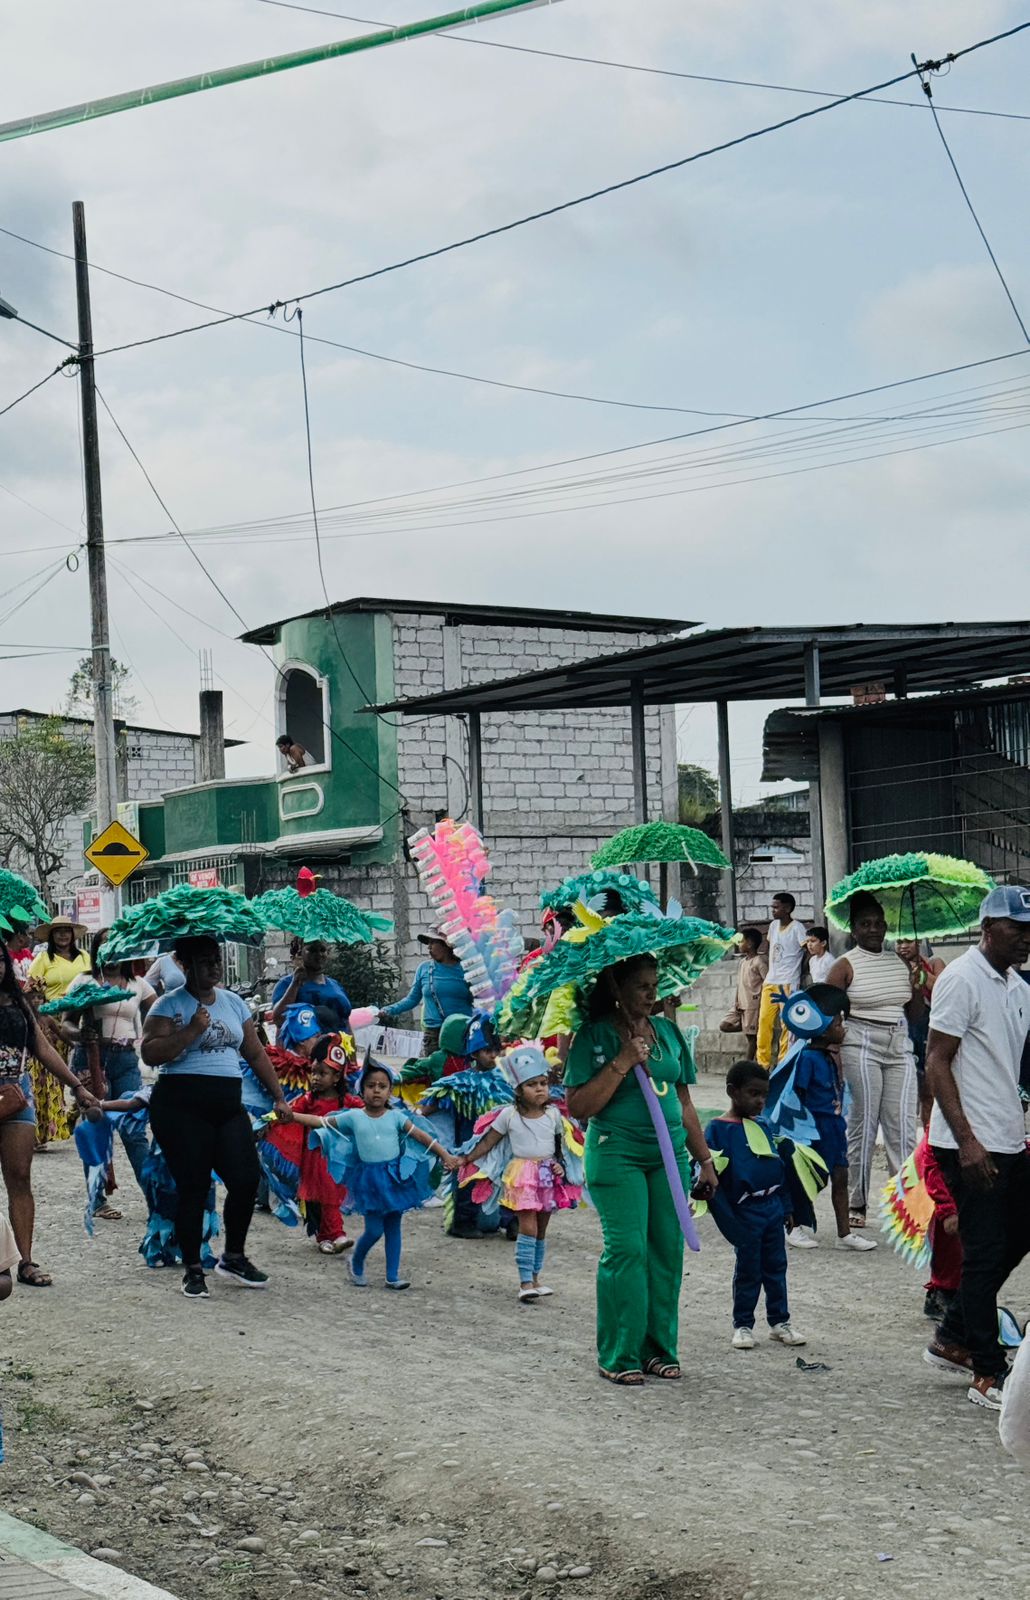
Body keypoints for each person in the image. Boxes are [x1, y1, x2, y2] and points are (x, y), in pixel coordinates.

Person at [564, 953, 718, 1386]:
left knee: (666, 1250)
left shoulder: (667, 1033)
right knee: (628, 1250)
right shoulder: (594, 1035)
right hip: (617, 1154)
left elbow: (684, 1102)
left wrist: (705, 1159)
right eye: (641, 986)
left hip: (668, 1158)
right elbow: (579, 1107)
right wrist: (623, 1061)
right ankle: (619, 1353)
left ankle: (658, 1349)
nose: (652, 994)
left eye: (655, 985)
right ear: (618, 988)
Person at [923, 886, 1030, 1412]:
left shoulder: (1017, 986)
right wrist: (966, 1141)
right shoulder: (961, 979)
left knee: (1019, 1235)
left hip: (1008, 1138)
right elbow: (936, 1060)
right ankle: (987, 1372)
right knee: (984, 1254)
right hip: (969, 1144)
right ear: (988, 927)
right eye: (1017, 928)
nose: (1026, 938)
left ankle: (952, 1334)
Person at [140, 934, 290, 1299]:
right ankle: (193, 1269)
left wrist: (278, 1096)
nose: (213, 966)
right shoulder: (167, 1004)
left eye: (216, 959)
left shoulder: (233, 1003)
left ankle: (234, 1256)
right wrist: (192, 1029)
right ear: (184, 964)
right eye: (205, 960)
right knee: (194, 1186)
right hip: (181, 1106)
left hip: (226, 1105)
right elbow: (150, 1053)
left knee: (246, 1178)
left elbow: (255, 1053)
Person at [285, 1057, 459, 1290]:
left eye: (382, 1086)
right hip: (369, 1181)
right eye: (371, 1086)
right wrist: (292, 1116)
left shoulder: (396, 1117)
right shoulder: (354, 1117)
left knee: (394, 1227)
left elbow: (422, 1137)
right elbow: (321, 1122)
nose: (377, 1090)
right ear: (362, 1090)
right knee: (375, 1230)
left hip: (394, 1179)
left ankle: (392, 1276)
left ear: (389, 1091)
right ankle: (356, 1261)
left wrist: (445, 1155)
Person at [0, 943, 99, 1287]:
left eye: (0, 960)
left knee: (20, 1178)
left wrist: (77, 1087)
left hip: (18, 1098)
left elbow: (42, 1049)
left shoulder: (19, 1005)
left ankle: (25, 1261)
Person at [460, 1045, 582, 1302]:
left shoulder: (554, 1115)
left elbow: (559, 1146)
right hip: (522, 1176)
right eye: (531, 1085)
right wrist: (467, 1159)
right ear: (518, 1089)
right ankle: (525, 1281)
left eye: (543, 1083)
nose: (539, 1089)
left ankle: (536, 1279)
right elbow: (488, 1141)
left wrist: (559, 1165)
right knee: (528, 1227)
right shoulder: (508, 1115)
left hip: (548, 1176)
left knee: (541, 1230)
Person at [825, 893, 918, 1228]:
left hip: (899, 1043)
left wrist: (917, 983)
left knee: (903, 1127)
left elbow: (915, 1014)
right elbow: (827, 1014)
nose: (874, 929)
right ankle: (857, 1202)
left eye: (879, 923)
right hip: (860, 1042)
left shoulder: (900, 963)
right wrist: (833, 1055)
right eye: (865, 924)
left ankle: (906, 1206)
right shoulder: (844, 965)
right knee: (862, 1125)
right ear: (853, 929)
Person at [704, 1062, 807, 1350]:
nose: (761, 1101)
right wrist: (727, 1217)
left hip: (772, 1208)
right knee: (748, 1269)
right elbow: (708, 1175)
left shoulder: (762, 1125)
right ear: (732, 1092)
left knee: (777, 1267)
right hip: (745, 1211)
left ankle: (779, 1322)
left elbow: (778, 1168)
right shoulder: (718, 1130)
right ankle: (743, 1325)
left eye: (764, 1095)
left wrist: (787, 1207)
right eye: (753, 1093)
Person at [770, 984, 877, 1254]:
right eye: (839, 1024)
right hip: (812, 1131)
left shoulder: (829, 1057)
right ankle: (793, 1226)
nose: (843, 1028)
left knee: (841, 1177)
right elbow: (797, 1095)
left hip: (834, 1128)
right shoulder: (807, 1058)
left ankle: (844, 1233)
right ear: (823, 1029)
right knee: (805, 1178)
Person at [61, 929, 154, 1220]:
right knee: (96, 1126)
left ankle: (155, 1199)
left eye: (116, 944)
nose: (111, 950)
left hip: (126, 1059)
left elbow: (160, 1015)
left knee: (134, 1131)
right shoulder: (84, 982)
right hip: (90, 1059)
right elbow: (66, 1024)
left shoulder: (139, 984)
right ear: (96, 951)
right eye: (104, 945)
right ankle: (98, 1200)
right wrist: (81, 1034)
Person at [27, 915, 90, 1146]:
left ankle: (71, 1115)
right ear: (51, 935)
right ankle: (45, 1126)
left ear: (73, 935)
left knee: (82, 1069)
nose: (63, 935)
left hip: (81, 1017)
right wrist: (39, 1016)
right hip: (51, 1019)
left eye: (66, 931)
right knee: (52, 1074)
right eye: (58, 931)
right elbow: (30, 989)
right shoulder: (43, 959)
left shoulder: (85, 957)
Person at [380, 931, 474, 1054]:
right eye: (428, 943)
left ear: (447, 945)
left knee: (460, 1066)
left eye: (433, 942)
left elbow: (479, 998)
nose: (429, 947)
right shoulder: (424, 968)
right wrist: (388, 1010)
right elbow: (412, 999)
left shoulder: (466, 969)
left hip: (460, 1031)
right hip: (433, 1035)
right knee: (435, 1066)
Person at [896, 938, 946, 1122]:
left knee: (929, 1090)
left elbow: (943, 990)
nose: (903, 946)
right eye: (899, 942)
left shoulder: (934, 963)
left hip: (928, 1029)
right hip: (902, 1031)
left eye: (908, 941)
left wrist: (921, 974)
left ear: (918, 943)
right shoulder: (892, 967)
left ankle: (928, 1132)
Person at [756, 893, 807, 1068]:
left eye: (776, 907)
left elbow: (807, 951)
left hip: (789, 981)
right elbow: (770, 947)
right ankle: (762, 1064)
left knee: (787, 1024)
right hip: (771, 981)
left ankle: (783, 1063)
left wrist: (800, 972)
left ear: (787, 908)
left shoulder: (797, 928)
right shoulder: (773, 926)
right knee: (764, 1021)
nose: (773, 910)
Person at [271, 940, 351, 1034]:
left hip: (341, 1043)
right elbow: (279, 1020)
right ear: (300, 954)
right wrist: (295, 984)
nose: (319, 954)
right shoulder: (286, 984)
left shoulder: (336, 985)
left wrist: (352, 1043)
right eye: (312, 950)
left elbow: (346, 1022)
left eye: (322, 950)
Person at [719, 928, 767, 1059]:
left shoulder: (759, 961)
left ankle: (747, 1064)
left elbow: (768, 983)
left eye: (741, 941)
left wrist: (762, 1001)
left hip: (752, 1005)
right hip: (740, 1005)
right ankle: (747, 1026)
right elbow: (740, 984)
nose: (738, 944)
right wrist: (736, 1000)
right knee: (724, 1025)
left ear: (750, 944)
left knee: (751, 1039)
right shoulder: (742, 962)